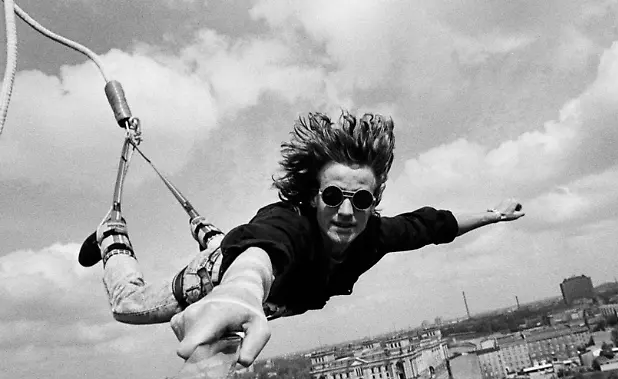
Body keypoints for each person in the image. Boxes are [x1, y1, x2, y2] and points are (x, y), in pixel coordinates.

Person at [91, 111, 525, 366]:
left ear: (375, 201)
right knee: (127, 307)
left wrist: (493, 215)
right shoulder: (289, 223)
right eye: (334, 195)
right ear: (314, 197)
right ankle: (110, 237)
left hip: (270, 285)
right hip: (223, 278)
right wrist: (240, 295)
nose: (347, 211)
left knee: (227, 243)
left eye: (363, 198)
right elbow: (262, 252)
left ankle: (211, 236)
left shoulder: (374, 234)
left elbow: (433, 225)